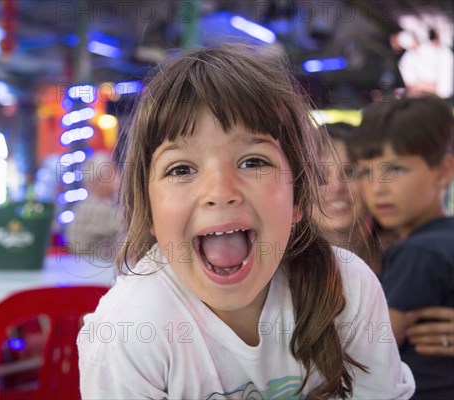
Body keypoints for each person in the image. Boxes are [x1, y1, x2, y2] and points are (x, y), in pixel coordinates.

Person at [77, 45, 414, 398]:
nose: (220, 191)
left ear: (298, 195)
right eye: (181, 169)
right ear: (149, 211)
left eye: (253, 162)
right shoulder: (128, 330)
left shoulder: (347, 286)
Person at [350, 94, 454, 398]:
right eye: (366, 172)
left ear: (443, 171)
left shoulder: (418, 252)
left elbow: (371, 351)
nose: (377, 188)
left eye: (395, 170)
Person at [313, 122, 396, 274]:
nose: (337, 187)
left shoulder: (407, 259)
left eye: (350, 172)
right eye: (320, 175)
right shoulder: (276, 271)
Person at [65, 152, 121, 261]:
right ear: (98, 179)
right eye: (112, 172)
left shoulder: (112, 204)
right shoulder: (90, 208)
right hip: (93, 269)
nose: (118, 175)